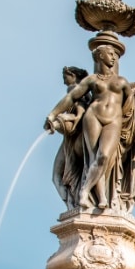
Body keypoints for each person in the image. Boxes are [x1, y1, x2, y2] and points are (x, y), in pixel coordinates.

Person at [45, 36, 135, 213]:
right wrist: (53, 114)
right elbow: (71, 97)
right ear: (100, 56)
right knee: (93, 157)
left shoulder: (121, 82)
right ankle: (99, 197)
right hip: (93, 116)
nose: (113, 57)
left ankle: (86, 188)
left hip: (114, 119)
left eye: (115, 54)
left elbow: (132, 108)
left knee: (104, 156)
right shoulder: (92, 80)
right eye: (110, 54)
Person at [50, 65, 90, 210]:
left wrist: (56, 117)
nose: (64, 81)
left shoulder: (73, 88)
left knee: (56, 176)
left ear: (73, 76)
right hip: (75, 136)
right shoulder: (86, 92)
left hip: (72, 138)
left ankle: (71, 205)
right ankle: (75, 204)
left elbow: (79, 104)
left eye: (65, 77)